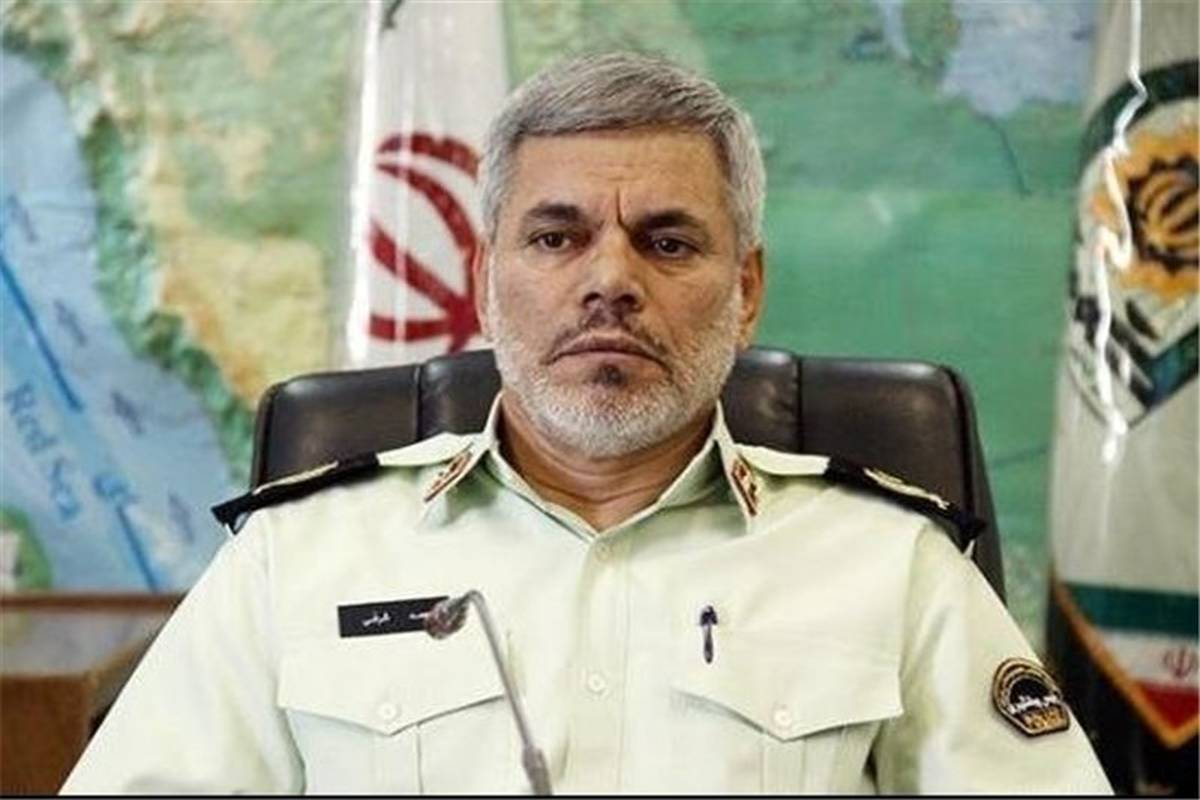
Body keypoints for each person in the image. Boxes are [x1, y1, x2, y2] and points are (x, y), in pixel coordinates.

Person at [63, 52, 1111, 795]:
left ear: (746, 291)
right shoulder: (300, 554)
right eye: (557, 238)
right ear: (485, 281)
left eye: (668, 241)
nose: (610, 280)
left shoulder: (890, 561)